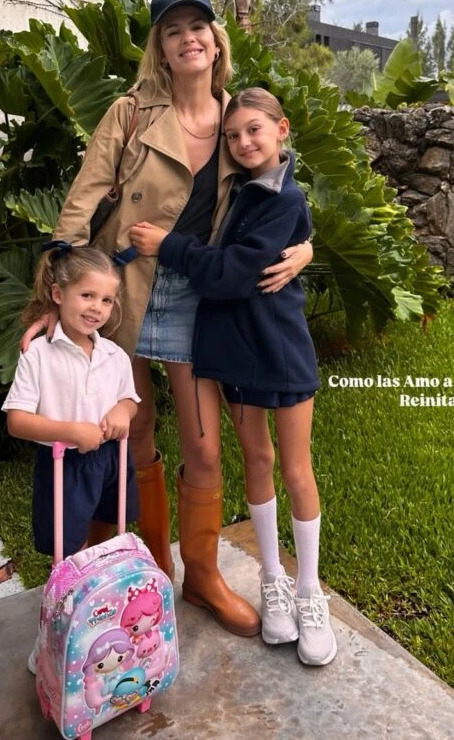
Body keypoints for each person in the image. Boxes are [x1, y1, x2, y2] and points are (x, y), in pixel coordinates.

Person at [22, 0, 313, 638]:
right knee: (134, 433)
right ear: (160, 43)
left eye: (199, 26)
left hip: (202, 297)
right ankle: (150, 569)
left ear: (216, 40)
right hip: (121, 292)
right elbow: (80, 203)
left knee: (204, 448)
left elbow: (280, 194)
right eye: (173, 28)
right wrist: (52, 299)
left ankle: (203, 576)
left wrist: (307, 248)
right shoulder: (130, 114)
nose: (189, 37)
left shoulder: (239, 116)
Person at [129, 88, 337, 666]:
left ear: (282, 129)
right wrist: (306, 247)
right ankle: (272, 581)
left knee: (296, 468)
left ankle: (309, 589)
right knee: (259, 461)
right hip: (234, 351)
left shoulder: (280, 196)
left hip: (280, 349)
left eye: (254, 131)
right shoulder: (241, 189)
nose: (243, 142)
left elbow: (233, 272)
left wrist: (168, 245)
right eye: (233, 135)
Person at [3, 245, 140, 671]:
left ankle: (99, 617)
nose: (97, 308)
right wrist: (70, 431)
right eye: (87, 296)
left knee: (109, 537)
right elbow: (18, 420)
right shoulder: (39, 354)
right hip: (64, 464)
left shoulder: (113, 354)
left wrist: (123, 410)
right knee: (65, 552)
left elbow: (128, 399)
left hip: (110, 461)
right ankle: (54, 632)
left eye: (106, 300)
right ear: (58, 294)